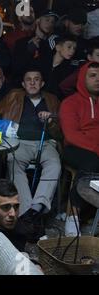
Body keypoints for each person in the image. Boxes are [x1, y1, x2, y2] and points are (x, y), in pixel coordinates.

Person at [0, 68, 61, 242]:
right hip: (20, 142)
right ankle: (28, 213)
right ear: (23, 84)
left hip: (45, 142)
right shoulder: (14, 96)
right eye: (28, 80)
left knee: (55, 165)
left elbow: (60, 131)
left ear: (42, 83)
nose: (32, 82)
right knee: (13, 161)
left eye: (36, 79)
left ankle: (35, 209)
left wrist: (50, 122)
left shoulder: (52, 100)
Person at [59, 61, 99, 236]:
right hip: (75, 149)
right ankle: (72, 219)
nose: (98, 79)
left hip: (96, 150)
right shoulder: (70, 103)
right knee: (90, 163)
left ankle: (91, 216)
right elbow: (71, 135)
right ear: (83, 78)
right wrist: (96, 148)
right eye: (92, 76)